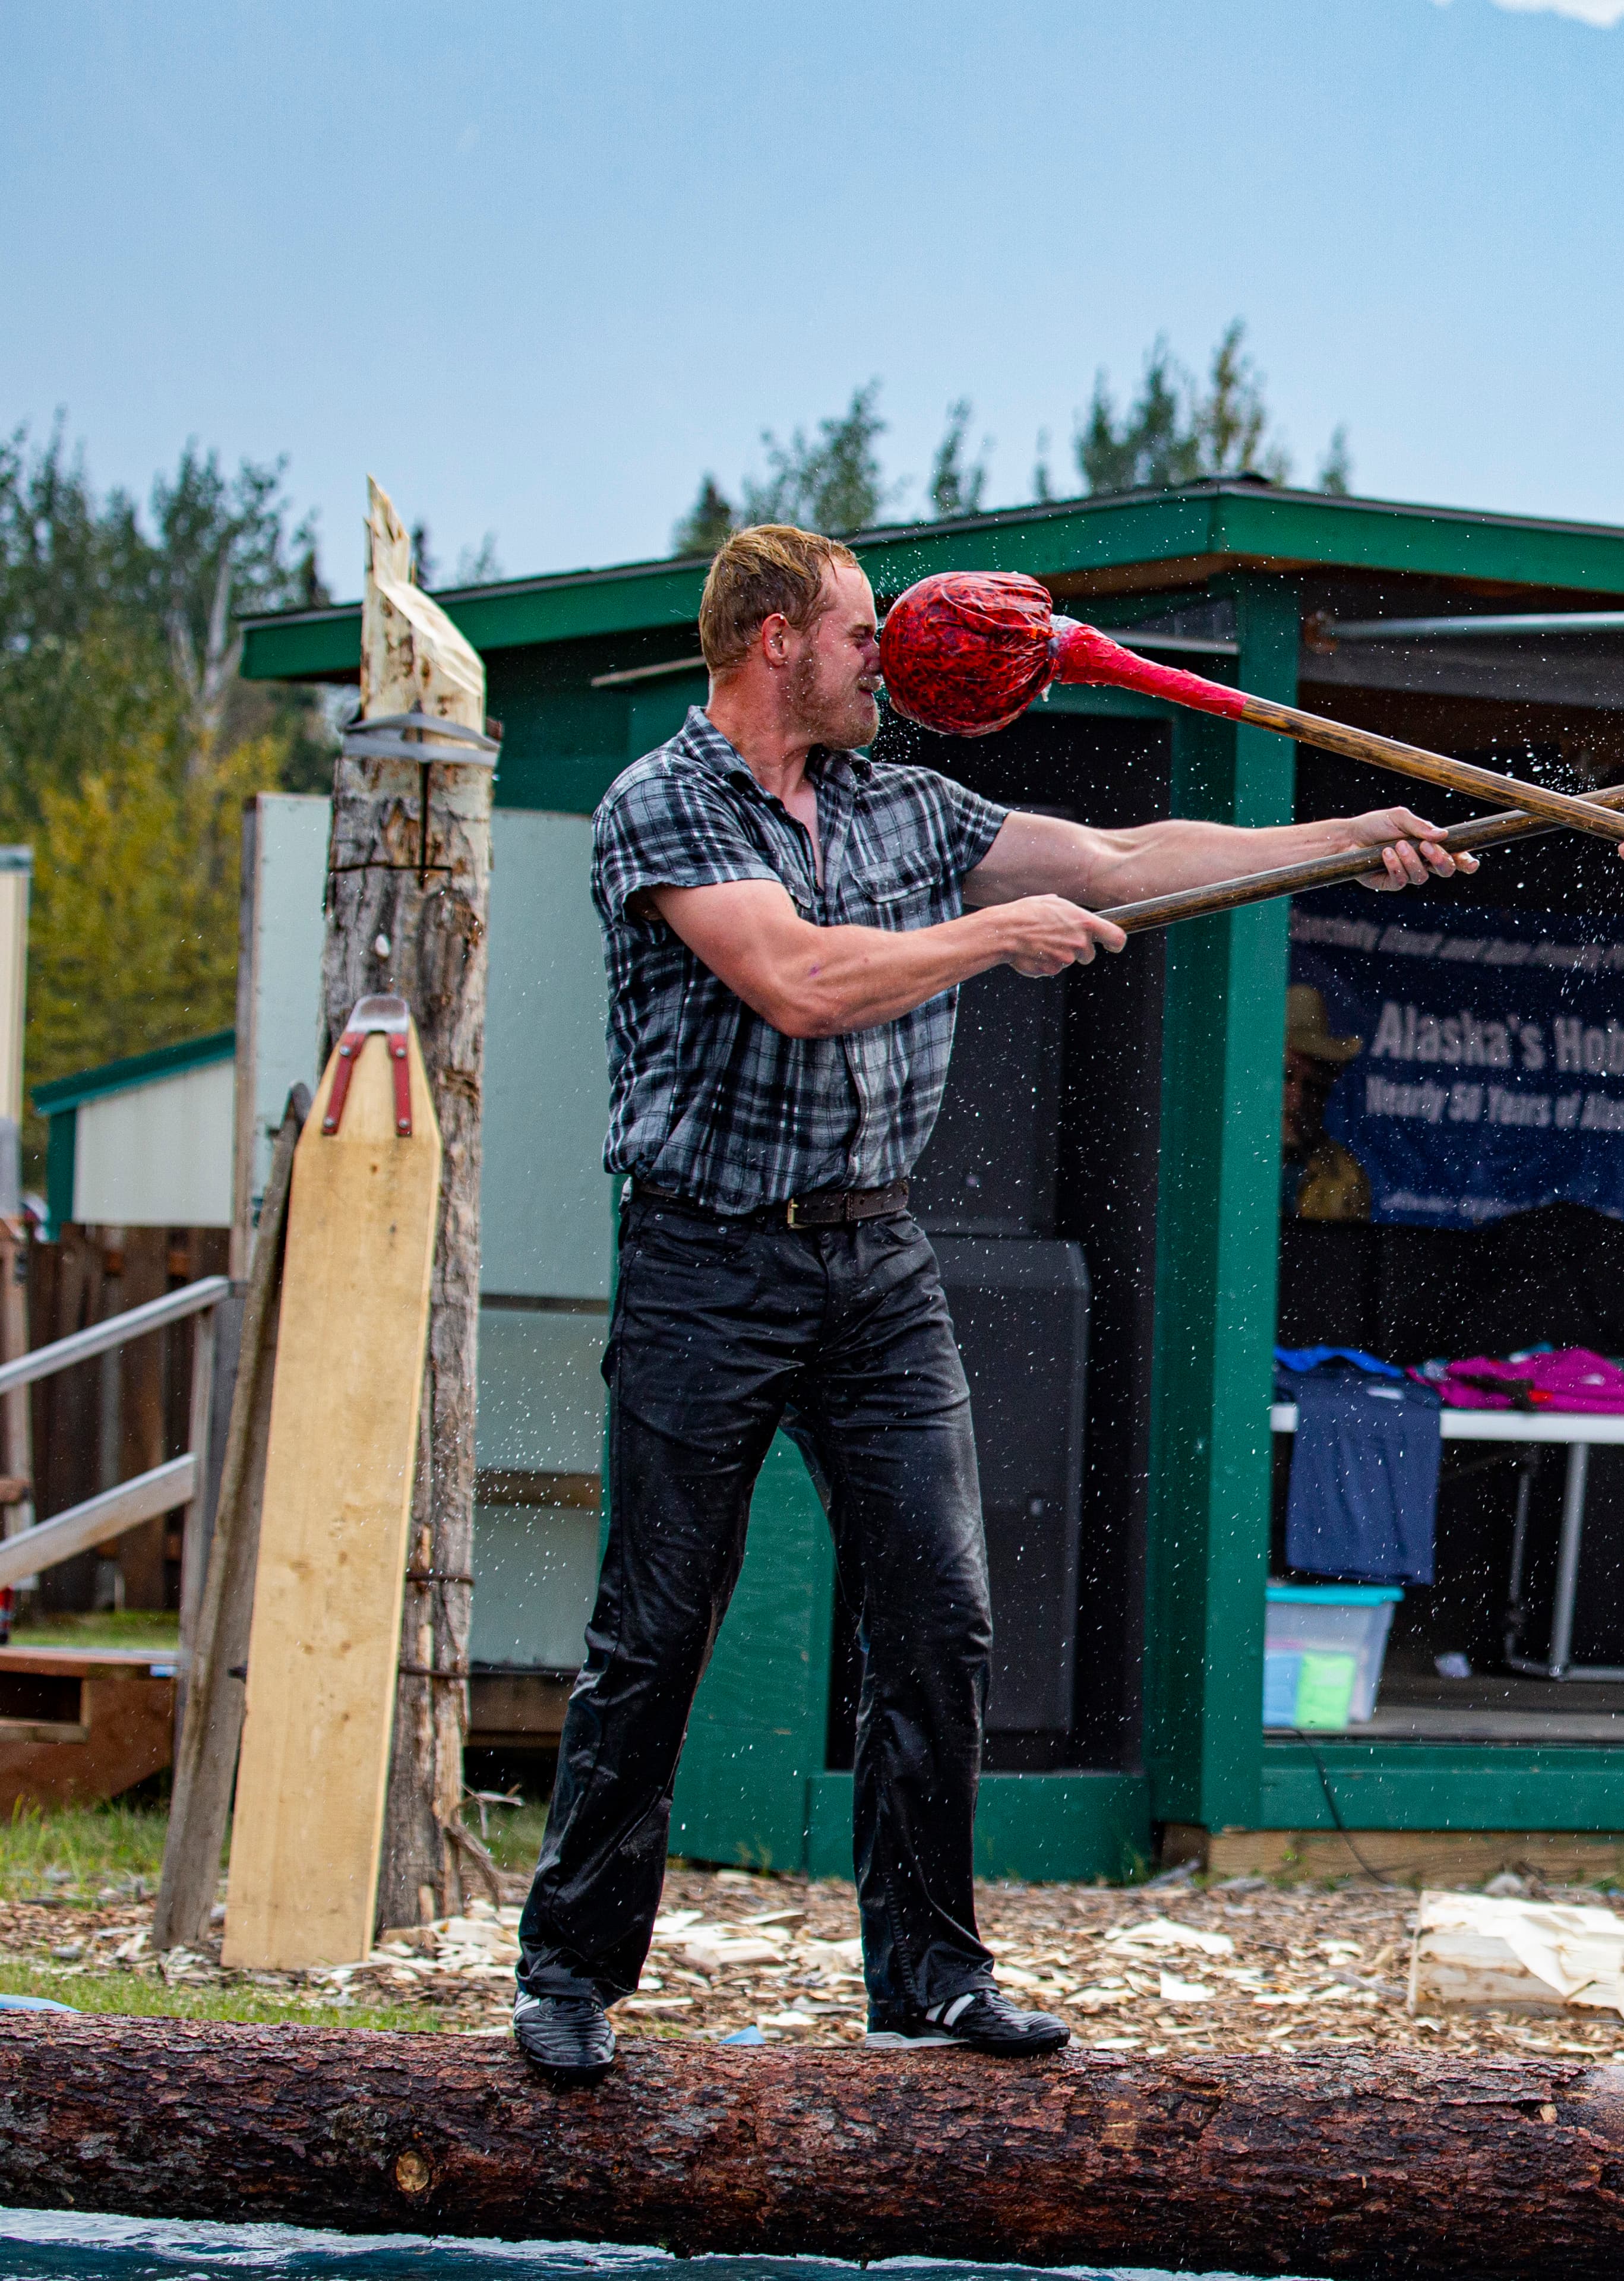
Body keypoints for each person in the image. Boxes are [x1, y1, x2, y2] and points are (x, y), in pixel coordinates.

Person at [511, 525, 1468, 2082]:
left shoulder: (908, 801)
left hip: (877, 1262)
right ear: (771, 644)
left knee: (940, 1617)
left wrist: (1343, 838)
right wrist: (987, 938)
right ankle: (570, 1971)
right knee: (658, 1625)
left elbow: (1119, 861)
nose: (882, 654)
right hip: (709, 1262)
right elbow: (800, 981)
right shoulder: (667, 805)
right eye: (851, 631)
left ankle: (932, 1977)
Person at [1282, 984, 1373, 1222]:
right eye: (1286, 1076)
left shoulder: (1346, 1174)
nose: (1297, 1096)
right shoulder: (1228, 1161)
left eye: (1313, 1085)